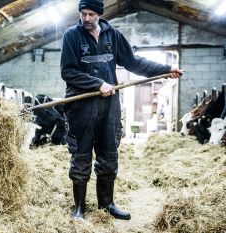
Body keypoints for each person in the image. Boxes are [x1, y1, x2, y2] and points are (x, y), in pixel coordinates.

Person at [60, 0, 183, 220]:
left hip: (109, 108)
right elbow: (68, 72)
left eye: (90, 14)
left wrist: (166, 69)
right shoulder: (71, 36)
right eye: (83, 13)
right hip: (81, 107)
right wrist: (97, 83)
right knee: (81, 157)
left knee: (108, 156)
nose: (86, 18)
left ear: (100, 13)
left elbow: (133, 62)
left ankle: (107, 204)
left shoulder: (113, 35)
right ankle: (79, 207)